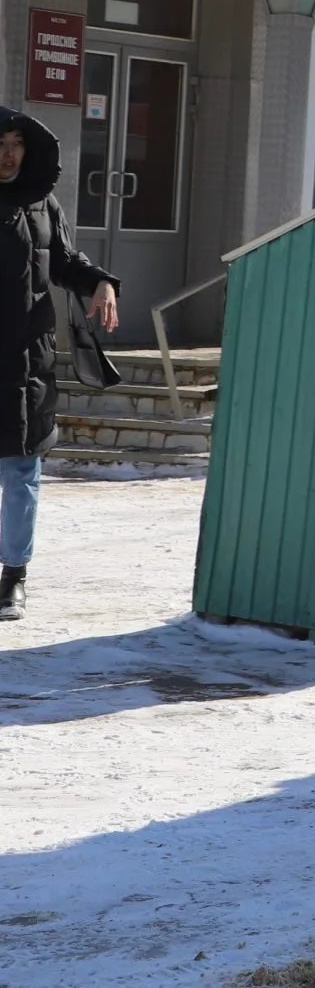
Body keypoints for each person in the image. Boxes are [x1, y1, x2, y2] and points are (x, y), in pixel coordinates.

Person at [0, 108, 118, 621]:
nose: (8, 153)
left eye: (17, 144)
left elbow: (65, 260)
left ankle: (13, 576)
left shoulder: (43, 204)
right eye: (0, 142)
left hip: (27, 358)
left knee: (22, 470)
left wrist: (100, 282)